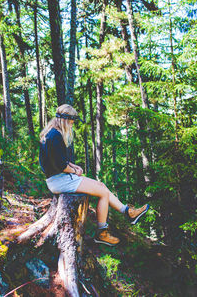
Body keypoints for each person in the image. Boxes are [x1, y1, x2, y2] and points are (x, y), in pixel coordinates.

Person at [39, 104, 149, 247]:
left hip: (58, 178)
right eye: (72, 121)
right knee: (103, 192)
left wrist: (73, 166)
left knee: (101, 186)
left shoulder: (51, 133)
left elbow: (54, 160)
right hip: (59, 180)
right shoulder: (56, 136)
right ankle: (102, 233)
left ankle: (128, 212)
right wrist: (74, 171)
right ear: (66, 120)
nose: (72, 125)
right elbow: (60, 165)